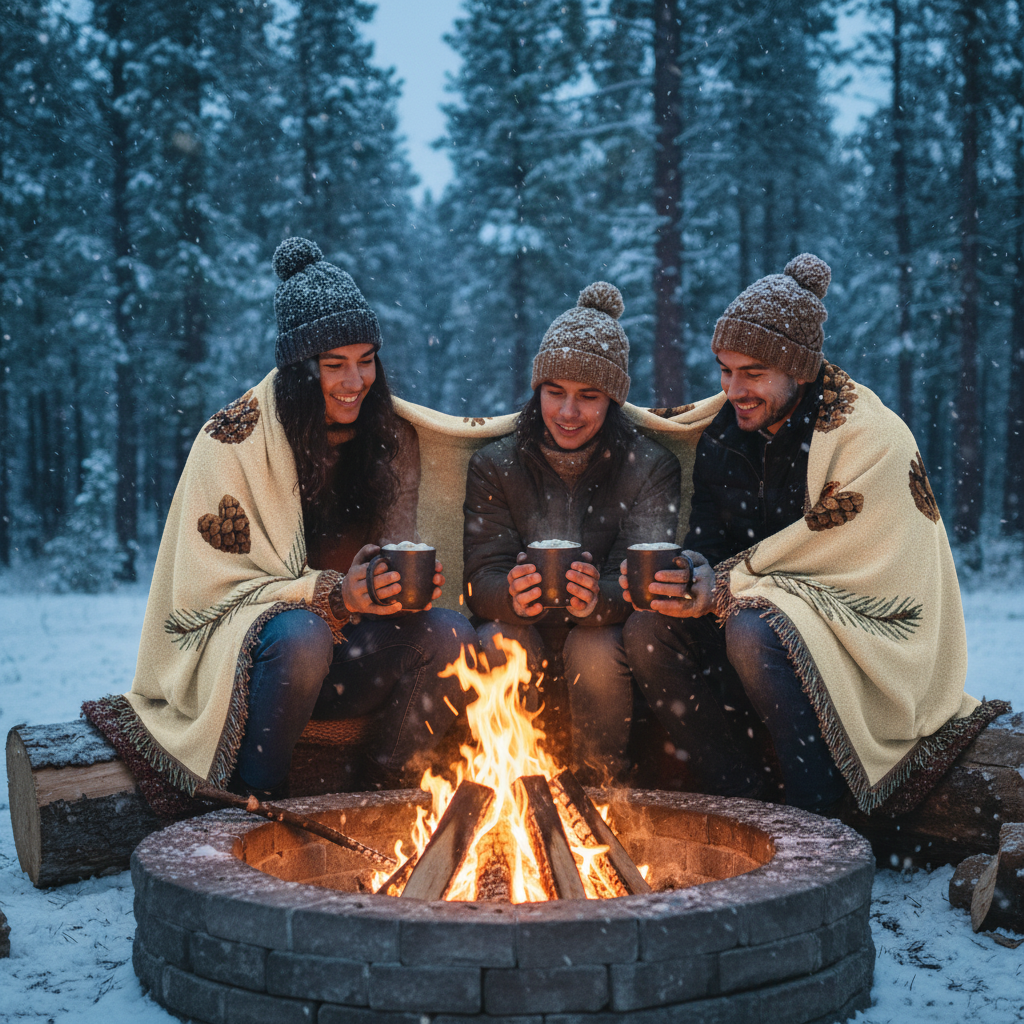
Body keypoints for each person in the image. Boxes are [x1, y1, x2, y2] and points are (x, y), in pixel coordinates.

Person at [87, 237, 475, 805]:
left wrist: (391, 587)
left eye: (367, 359)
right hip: (254, 672)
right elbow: (206, 598)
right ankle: (256, 798)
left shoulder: (390, 438)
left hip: (351, 662)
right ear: (298, 369)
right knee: (302, 635)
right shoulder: (233, 441)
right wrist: (334, 596)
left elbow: (391, 552)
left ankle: (383, 795)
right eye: (334, 365)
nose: (355, 381)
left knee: (450, 634)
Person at [620, 253, 1004, 816]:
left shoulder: (867, 435)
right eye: (725, 370)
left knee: (754, 628)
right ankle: (741, 801)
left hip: (855, 636)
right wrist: (692, 573)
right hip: (750, 618)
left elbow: (862, 565)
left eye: (753, 373)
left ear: (797, 369)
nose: (734, 389)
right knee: (648, 630)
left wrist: (728, 587)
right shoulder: (723, 435)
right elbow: (711, 539)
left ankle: (819, 815)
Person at [463, 282, 680, 784]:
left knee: (594, 649)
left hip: (603, 639)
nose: (567, 412)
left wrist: (597, 600)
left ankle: (601, 788)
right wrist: (511, 595)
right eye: (554, 392)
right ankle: (514, 786)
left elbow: (641, 578)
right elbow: (480, 577)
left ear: (613, 400)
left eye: (588, 396)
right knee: (498, 639)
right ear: (537, 391)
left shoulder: (649, 467)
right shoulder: (495, 465)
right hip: (522, 632)